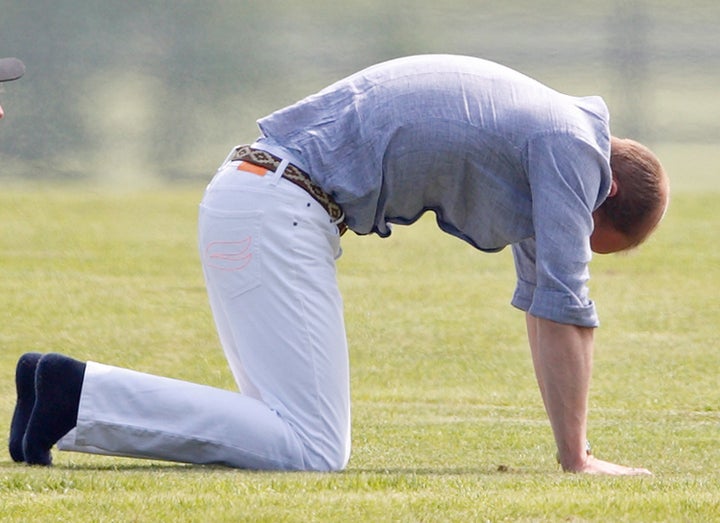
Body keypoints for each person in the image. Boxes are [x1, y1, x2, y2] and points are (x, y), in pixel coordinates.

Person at [9, 55, 668, 474]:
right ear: (602, 195)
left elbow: (546, 307)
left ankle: (60, 393)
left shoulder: (544, 139)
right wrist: (577, 459)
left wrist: (569, 449)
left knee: (278, 435)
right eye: (585, 239)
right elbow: (564, 303)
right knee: (312, 449)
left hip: (253, 194)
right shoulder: (572, 148)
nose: (572, 248)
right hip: (278, 208)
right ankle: (73, 397)